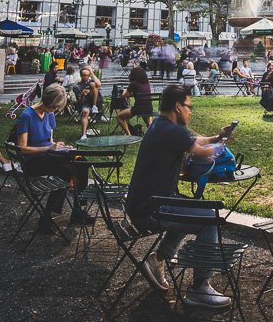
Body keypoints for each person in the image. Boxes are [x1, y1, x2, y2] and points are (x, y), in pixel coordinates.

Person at [125, 85, 237, 309]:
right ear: (178, 106)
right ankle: (199, 288)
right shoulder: (171, 131)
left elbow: (193, 141)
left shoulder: (162, 125)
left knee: (192, 208)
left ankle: (157, 260)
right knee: (209, 218)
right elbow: (203, 151)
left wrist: (218, 136)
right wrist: (220, 146)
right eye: (188, 106)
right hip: (151, 209)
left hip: (144, 203)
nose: (191, 111)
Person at [12, 84, 90, 228]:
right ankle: (47, 215)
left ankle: (79, 210)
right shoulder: (27, 116)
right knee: (66, 170)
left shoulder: (49, 114)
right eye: (54, 107)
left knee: (82, 163)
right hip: (33, 161)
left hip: (48, 156)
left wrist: (59, 146)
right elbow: (21, 149)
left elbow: (50, 141)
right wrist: (47, 147)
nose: (55, 111)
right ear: (48, 102)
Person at [116, 66, 153, 135]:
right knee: (148, 121)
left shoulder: (133, 84)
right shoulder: (147, 83)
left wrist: (124, 91)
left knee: (119, 117)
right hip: (149, 108)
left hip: (138, 108)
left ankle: (128, 134)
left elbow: (125, 95)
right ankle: (151, 134)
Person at [74, 66, 101, 136]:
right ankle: (83, 135)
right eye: (84, 75)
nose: (86, 77)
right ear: (81, 75)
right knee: (85, 112)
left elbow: (99, 84)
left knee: (93, 84)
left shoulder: (91, 82)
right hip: (85, 104)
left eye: (87, 75)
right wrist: (83, 94)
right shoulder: (77, 86)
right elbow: (79, 102)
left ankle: (95, 106)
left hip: (97, 102)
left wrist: (92, 73)